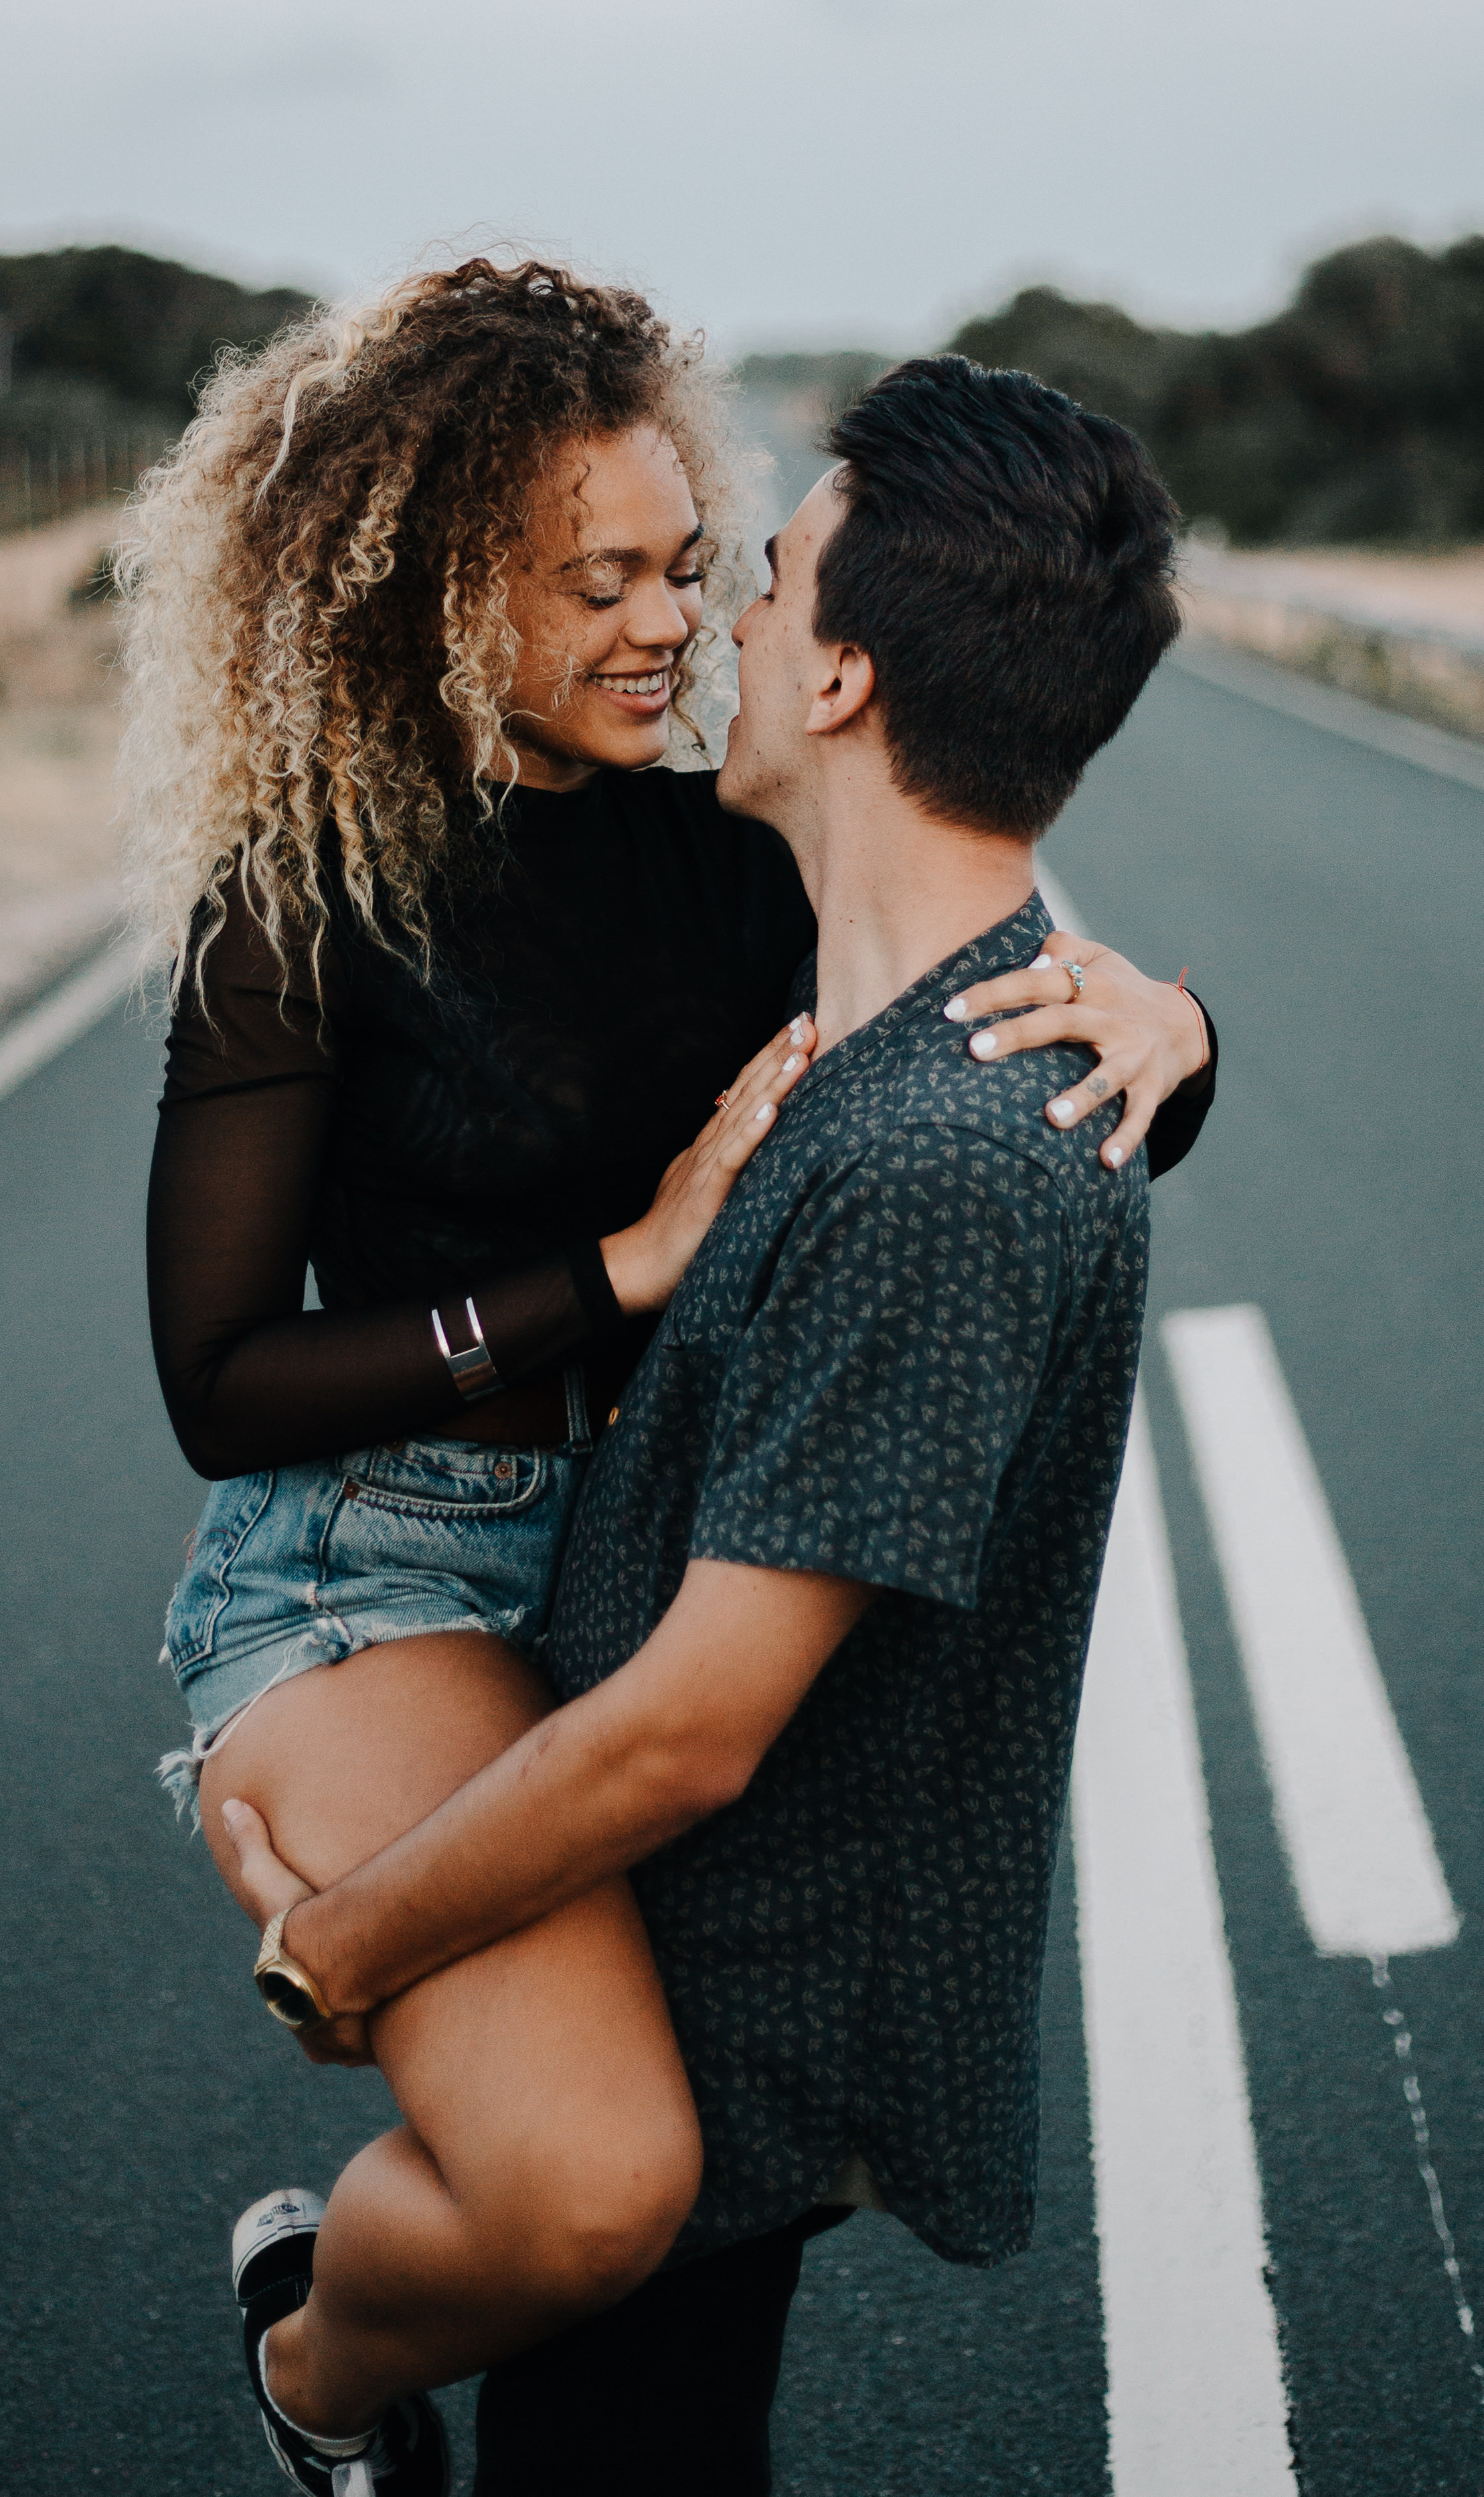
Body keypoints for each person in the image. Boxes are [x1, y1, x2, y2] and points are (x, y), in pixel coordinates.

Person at [120, 260, 1212, 2496]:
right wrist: (612, 1269)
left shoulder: (734, 847)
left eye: (688, 566)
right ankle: (319, 2366)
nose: (662, 623)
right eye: (592, 579)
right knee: (597, 2181)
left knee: (683, 2227)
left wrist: (1183, 1038)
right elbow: (224, 1380)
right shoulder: (303, 893)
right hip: (373, 1564)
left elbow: (961, 1036)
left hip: (637, 1536)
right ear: (440, 596)